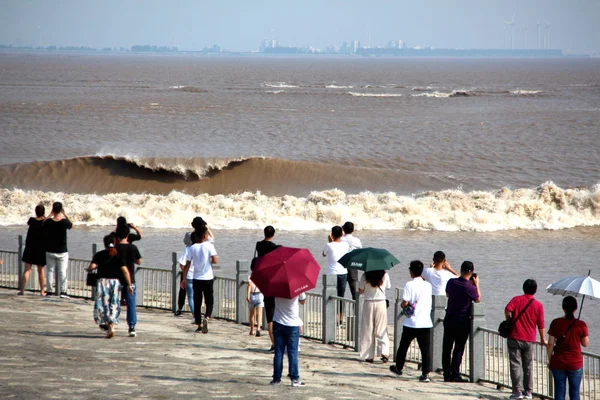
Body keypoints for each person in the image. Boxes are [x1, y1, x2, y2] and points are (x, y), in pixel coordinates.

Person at [390, 260, 433, 382]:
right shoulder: (428, 285)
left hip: (411, 322)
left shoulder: (409, 284)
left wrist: (403, 306)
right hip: (425, 322)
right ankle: (425, 374)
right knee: (425, 350)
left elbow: (405, 302)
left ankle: (398, 367)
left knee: (403, 346)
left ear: (411, 271)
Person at [505, 279, 547, 400]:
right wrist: (543, 339)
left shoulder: (517, 299)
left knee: (515, 365)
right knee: (528, 366)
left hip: (515, 337)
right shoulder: (538, 305)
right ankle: (528, 392)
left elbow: (508, 309)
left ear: (523, 288)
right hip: (530, 339)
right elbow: (541, 324)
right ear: (535, 290)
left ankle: (517, 391)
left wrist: (509, 320)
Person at [442, 261, 481, 382]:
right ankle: (455, 374)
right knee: (459, 347)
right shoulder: (469, 287)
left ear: (461, 269)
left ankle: (446, 374)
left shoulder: (451, 282)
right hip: (462, 320)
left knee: (447, 347)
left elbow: (448, 294)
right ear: (472, 272)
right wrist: (476, 285)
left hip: (449, 318)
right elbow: (478, 299)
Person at [87, 235, 133, 338]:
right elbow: (125, 271)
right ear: (115, 243)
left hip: (102, 282)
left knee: (103, 303)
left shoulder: (99, 255)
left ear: (104, 244)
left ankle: (106, 324)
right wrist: (129, 284)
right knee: (114, 302)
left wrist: (90, 268)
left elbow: (92, 267)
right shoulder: (117, 255)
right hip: (115, 282)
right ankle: (112, 325)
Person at [547, 296, 589, 400]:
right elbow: (585, 343)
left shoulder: (555, 322)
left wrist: (549, 359)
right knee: (575, 393)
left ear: (563, 308)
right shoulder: (581, 324)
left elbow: (550, 343)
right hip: (575, 362)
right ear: (575, 309)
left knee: (559, 393)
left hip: (558, 362)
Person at [183, 225, 218, 334]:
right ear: (204, 236)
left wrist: (184, 278)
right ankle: (207, 317)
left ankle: (199, 325)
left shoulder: (192, 248)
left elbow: (187, 264)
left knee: (197, 302)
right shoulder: (209, 246)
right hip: (208, 277)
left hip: (196, 278)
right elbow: (215, 260)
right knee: (209, 301)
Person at [270, 291, 307, 387]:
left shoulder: (276, 286)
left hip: (278, 322)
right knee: (293, 353)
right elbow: (303, 301)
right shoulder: (298, 287)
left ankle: (276, 379)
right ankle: (294, 378)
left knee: (278, 352)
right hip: (292, 324)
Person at [255, 225, 280, 351]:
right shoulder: (274, 248)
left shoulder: (258, 245)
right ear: (273, 234)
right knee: (276, 314)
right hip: (274, 281)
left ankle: (274, 343)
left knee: (270, 316)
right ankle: (279, 343)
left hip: (264, 281)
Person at [115, 224, 142, 337]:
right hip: (130, 280)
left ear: (117, 236)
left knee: (114, 302)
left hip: (116, 278)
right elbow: (139, 262)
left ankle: (112, 323)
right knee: (131, 304)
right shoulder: (133, 247)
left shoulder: (114, 248)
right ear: (128, 235)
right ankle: (132, 327)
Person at [358, 269, 390, 364]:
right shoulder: (385, 275)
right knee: (382, 328)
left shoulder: (365, 275)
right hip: (381, 303)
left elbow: (360, 290)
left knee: (367, 329)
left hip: (368, 302)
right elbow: (388, 287)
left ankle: (368, 355)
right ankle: (384, 352)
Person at [43, 202, 73, 298]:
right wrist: (65, 214)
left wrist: (50, 214)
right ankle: (63, 292)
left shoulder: (49, 222)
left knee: (50, 271)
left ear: (53, 209)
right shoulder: (64, 222)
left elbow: (43, 223)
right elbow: (72, 225)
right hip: (62, 251)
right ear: (61, 210)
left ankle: (49, 292)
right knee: (62, 271)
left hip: (50, 250)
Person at [322, 226, 350, 323]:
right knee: (341, 296)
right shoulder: (345, 245)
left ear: (332, 234)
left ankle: (332, 317)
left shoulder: (329, 245)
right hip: (343, 272)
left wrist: (330, 241)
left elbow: (324, 254)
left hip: (332, 273)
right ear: (342, 234)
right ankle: (341, 317)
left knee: (330, 296)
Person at [19, 204, 47, 296]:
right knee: (41, 270)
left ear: (35, 211)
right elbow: (47, 220)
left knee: (27, 270)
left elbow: (30, 223)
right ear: (43, 212)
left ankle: (22, 290)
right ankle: (42, 291)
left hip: (30, 247)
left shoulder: (31, 220)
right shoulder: (45, 222)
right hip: (40, 248)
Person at [175, 232, 195, 320]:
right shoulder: (198, 248)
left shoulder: (187, 249)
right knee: (196, 295)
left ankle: (181, 309)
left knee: (185, 293)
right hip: (198, 274)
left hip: (188, 275)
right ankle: (198, 313)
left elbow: (181, 264)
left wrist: (185, 273)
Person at [340, 221, 362, 300]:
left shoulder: (340, 240)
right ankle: (356, 311)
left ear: (343, 229)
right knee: (355, 291)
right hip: (353, 265)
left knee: (340, 293)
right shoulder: (356, 240)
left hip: (341, 266)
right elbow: (360, 251)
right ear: (353, 230)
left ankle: (340, 312)